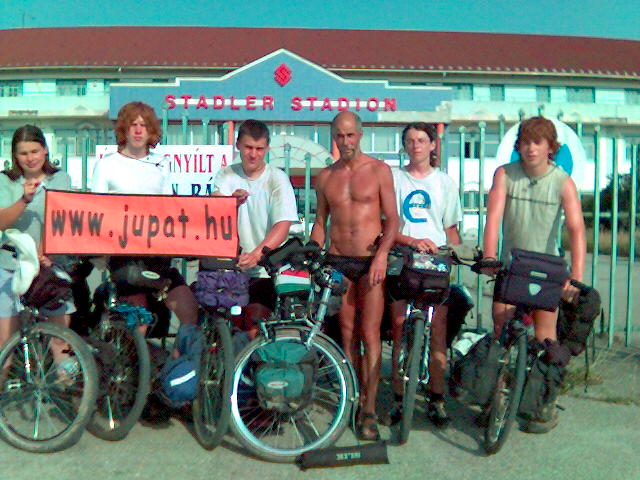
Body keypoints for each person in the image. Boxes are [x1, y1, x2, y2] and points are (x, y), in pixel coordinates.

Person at [483, 116, 586, 433]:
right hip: (512, 265)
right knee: (500, 329)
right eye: (525, 142)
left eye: (537, 142)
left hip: (547, 268)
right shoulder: (505, 174)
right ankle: (493, 399)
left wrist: (575, 279)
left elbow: (576, 230)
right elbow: (493, 218)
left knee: (545, 338)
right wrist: (490, 257)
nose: (530, 148)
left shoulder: (562, 182)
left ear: (550, 148)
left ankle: (542, 402)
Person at [310, 111, 399, 441]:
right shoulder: (325, 177)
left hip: (369, 261)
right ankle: (353, 398)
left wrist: (382, 254)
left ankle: (370, 409)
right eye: (339, 135)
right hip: (338, 260)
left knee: (369, 333)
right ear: (333, 136)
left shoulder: (378, 170)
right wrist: (313, 252)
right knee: (347, 335)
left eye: (350, 135)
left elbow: (393, 219)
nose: (345, 141)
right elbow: (320, 221)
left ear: (360, 135)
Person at [91, 101, 198, 329]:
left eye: (144, 125)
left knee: (189, 310)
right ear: (124, 129)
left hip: (157, 253)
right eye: (133, 125)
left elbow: (169, 207)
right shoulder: (106, 165)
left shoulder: (161, 164)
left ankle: (182, 352)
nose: (138, 131)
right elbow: (96, 209)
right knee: (139, 319)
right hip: (124, 254)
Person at [385, 122, 462, 428]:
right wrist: (411, 241)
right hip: (402, 258)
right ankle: (397, 397)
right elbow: (385, 224)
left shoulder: (445, 183)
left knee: (438, 330)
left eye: (421, 140)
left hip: (435, 263)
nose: (415, 145)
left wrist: (456, 254)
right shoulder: (394, 178)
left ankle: (437, 398)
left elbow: (450, 229)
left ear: (432, 145)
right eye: (410, 140)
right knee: (398, 328)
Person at [202, 119, 298, 339]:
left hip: (264, 269)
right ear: (238, 145)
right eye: (248, 148)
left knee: (254, 324)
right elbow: (215, 212)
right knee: (224, 327)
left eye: (259, 149)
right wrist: (230, 204)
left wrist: (257, 255)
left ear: (267, 148)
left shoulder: (277, 178)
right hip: (229, 267)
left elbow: (282, 225)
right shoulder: (226, 174)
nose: (253, 154)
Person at [0, 125, 75, 363]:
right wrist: (24, 199)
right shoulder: (6, 181)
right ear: (15, 156)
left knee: (61, 342)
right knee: (5, 346)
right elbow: (2, 222)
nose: (30, 158)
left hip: (50, 263)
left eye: (35, 151)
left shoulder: (60, 178)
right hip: (11, 264)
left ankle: (67, 384)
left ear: (45, 150)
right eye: (23, 153)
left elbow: (60, 218)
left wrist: (44, 252)